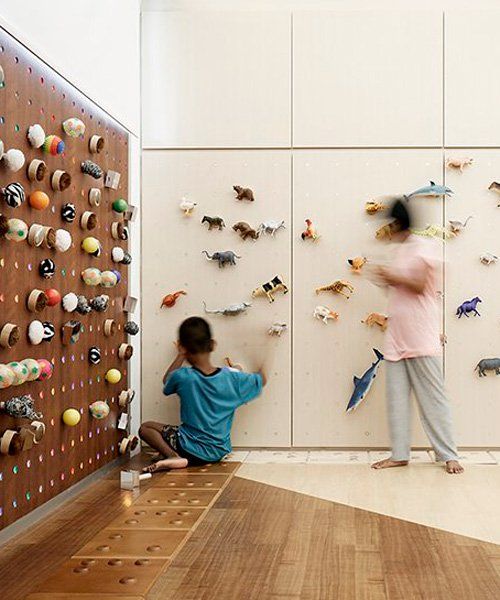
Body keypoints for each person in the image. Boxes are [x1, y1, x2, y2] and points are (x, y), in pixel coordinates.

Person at [370, 199, 463, 474]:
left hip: (420, 336)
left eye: (390, 226)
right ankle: (399, 454)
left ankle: (449, 455)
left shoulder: (424, 247)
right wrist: (386, 278)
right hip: (397, 336)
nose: (387, 232)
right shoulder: (401, 252)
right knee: (396, 399)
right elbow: (400, 290)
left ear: (399, 224)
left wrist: (392, 276)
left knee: (433, 399)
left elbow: (420, 284)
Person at [140, 316, 266, 473]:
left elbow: (167, 380)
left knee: (146, 427)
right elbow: (261, 380)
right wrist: (259, 357)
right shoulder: (231, 378)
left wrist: (180, 355)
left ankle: (173, 456)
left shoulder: (183, 377)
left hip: (188, 447)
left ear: (183, 347)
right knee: (174, 432)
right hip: (219, 451)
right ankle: (176, 456)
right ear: (212, 345)